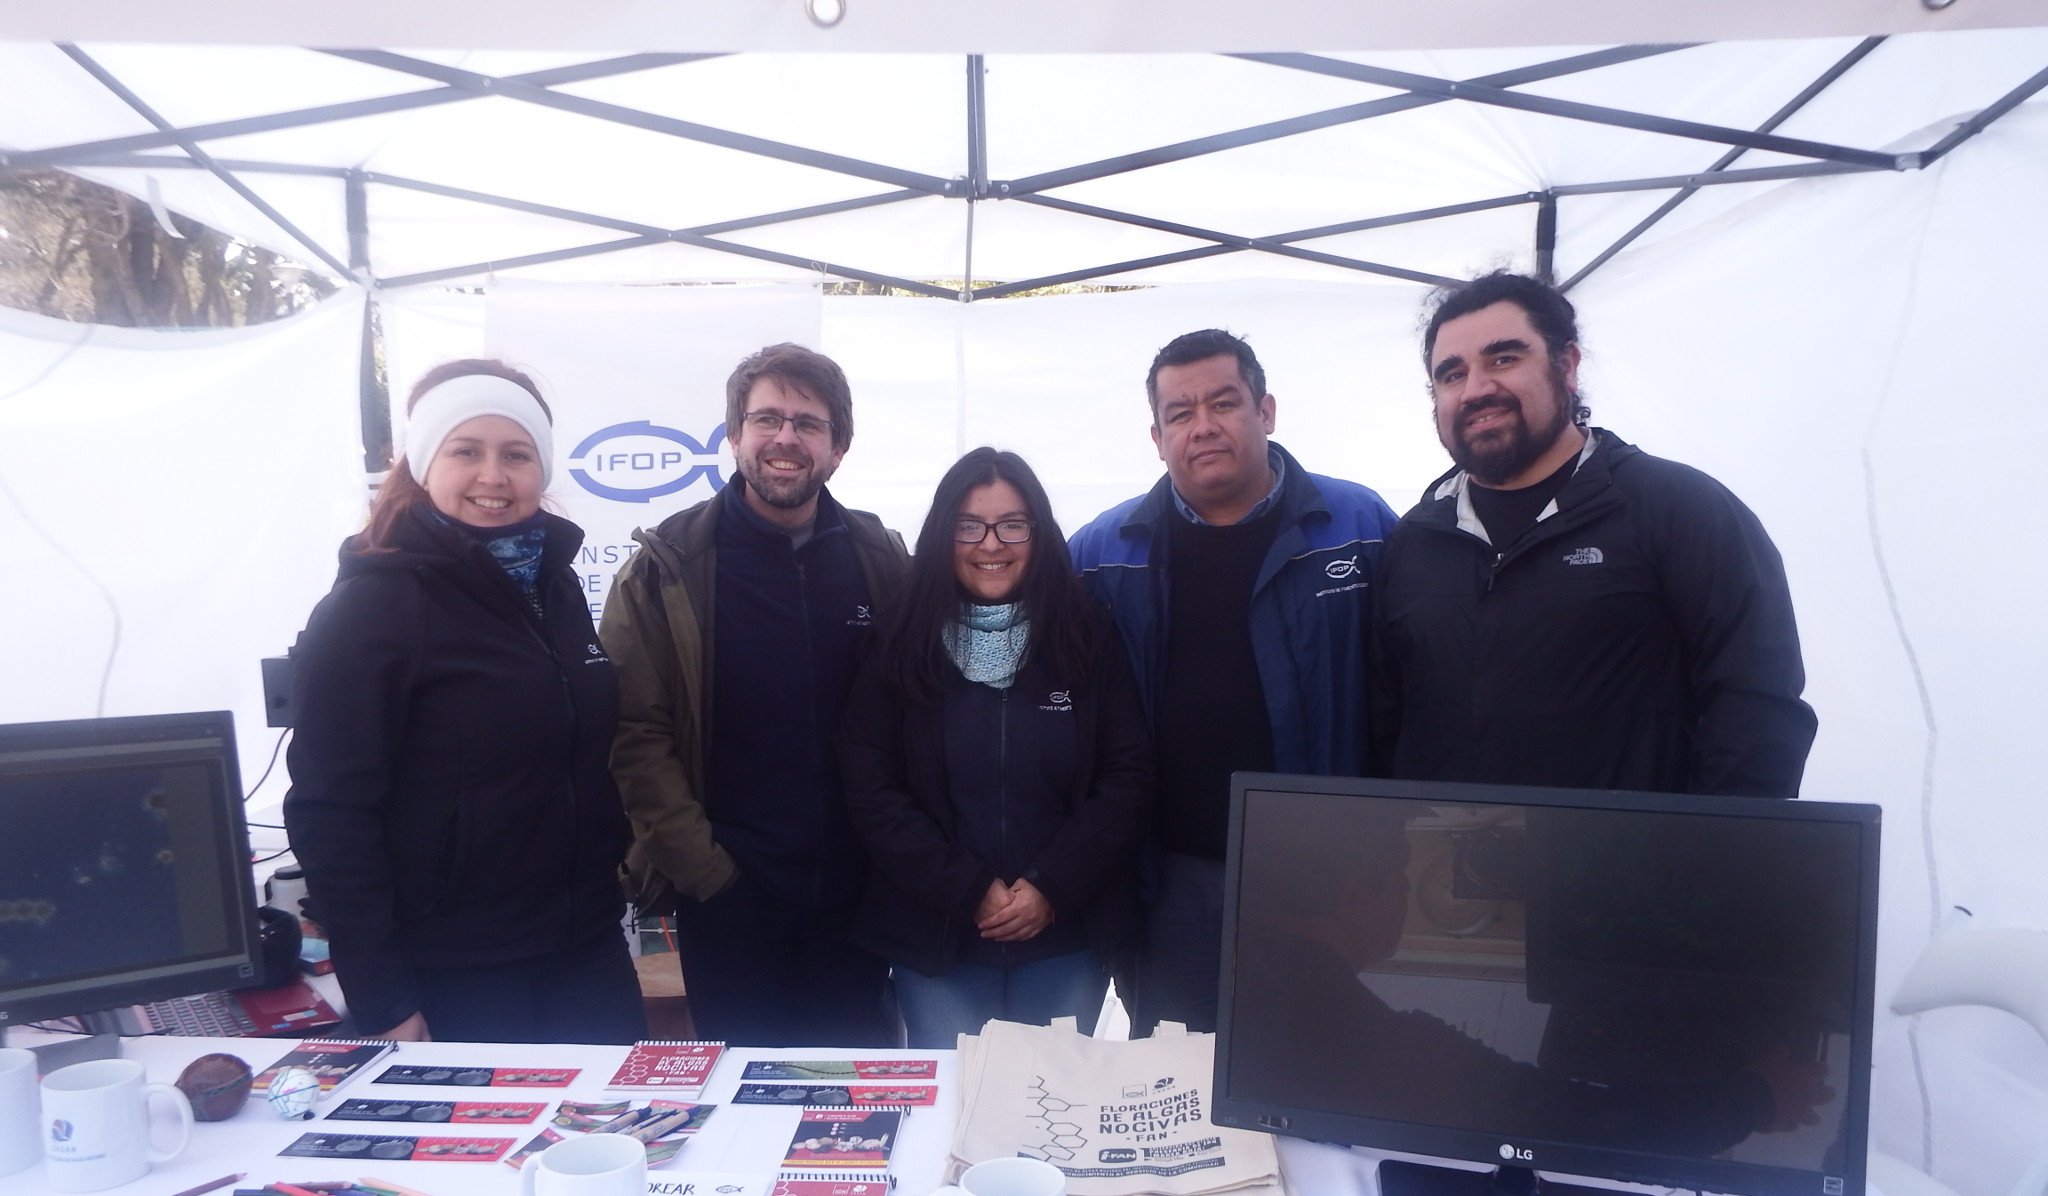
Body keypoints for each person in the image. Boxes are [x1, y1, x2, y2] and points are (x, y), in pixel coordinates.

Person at [284, 359, 644, 1044]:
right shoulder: (374, 605)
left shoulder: (552, 588)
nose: (493, 476)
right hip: (457, 972)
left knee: (614, 1137)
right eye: (466, 451)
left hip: (584, 949)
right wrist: (384, 995)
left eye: (516, 454)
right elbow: (329, 810)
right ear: (424, 463)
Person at [1370, 271, 1817, 796]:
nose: (1476, 390)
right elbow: (1387, 724)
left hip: (1628, 870)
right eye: (1451, 374)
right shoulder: (1416, 541)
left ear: (1567, 365)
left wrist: (1702, 860)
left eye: (1504, 359)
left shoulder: (1680, 510)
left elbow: (1757, 709)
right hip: (1453, 868)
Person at [1068, 329, 1398, 1035]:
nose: (1204, 426)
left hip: (1328, 878)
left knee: (1325, 1064)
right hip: (1171, 879)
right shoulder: (1102, 552)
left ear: (1266, 410)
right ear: (1156, 437)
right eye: (1180, 413)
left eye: (1224, 403)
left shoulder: (1358, 527)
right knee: (1185, 1084)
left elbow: (1415, 679)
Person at [601, 342, 907, 1047]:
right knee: (744, 1106)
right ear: (735, 435)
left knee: (853, 1108)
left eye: (808, 423)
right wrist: (709, 876)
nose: (786, 439)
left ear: (838, 448)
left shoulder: (881, 560)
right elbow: (634, 736)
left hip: (858, 901)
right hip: (731, 902)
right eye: (767, 419)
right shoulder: (666, 568)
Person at [839, 448, 1152, 1048]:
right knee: (956, 1121)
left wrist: (1051, 887)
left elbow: (1128, 777)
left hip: (1066, 938)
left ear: (1038, 532)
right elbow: (871, 788)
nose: (991, 544)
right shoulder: (897, 644)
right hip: (937, 942)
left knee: (1047, 1117)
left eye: (1013, 524)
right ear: (942, 535)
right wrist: (968, 890)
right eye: (969, 526)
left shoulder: (1089, 636)